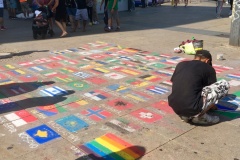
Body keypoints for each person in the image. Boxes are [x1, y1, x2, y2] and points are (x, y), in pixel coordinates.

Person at [168, 50, 230, 124]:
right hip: (193, 108)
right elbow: (212, 88)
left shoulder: (180, 64)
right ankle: (200, 116)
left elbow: (176, 83)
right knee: (224, 84)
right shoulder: (209, 68)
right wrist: (211, 106)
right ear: (207, 60)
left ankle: (186, 115)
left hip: (175, 106)